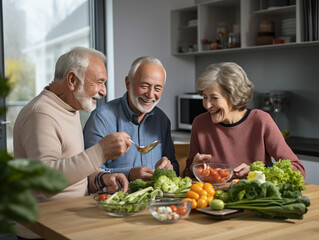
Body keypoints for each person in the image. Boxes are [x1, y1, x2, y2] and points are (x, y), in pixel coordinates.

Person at [13, 47, 131, 240]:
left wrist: (100, 179)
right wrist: (101, 152)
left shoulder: (69, 107)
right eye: (99, 82)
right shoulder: (40, 114)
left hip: (71, 219)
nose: (104, 91)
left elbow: (70, 169)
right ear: (72, 80)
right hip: (44, 229)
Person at [183, 62, 306, 179]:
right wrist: (193, 167)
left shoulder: (261, 121)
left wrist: (257, 171)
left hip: (253, 197)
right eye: (205, 97)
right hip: (212, 197)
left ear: (233, 96)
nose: (207, 105)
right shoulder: (200, 123)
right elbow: (187, 176)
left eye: (214, 98)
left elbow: (298, 169)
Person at [83, 56, 179, 181]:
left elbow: (175, 167)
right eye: (144, 86)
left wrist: (170, 167)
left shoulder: (162, 120)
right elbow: (89, 173)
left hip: (156, 198)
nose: (150, 95)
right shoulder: (101, 118)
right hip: (115, 198)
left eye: (157, 88)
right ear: (128, 83)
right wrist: (129, 174)